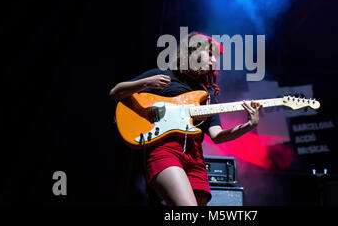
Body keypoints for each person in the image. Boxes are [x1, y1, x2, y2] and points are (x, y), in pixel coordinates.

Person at [109, 32, 262, 206]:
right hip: (166, 152)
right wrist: (147, 83)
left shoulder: (208, 94)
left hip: (195, 158)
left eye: (216, 58)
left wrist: (249, 125)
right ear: (193, 52)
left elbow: (217, 136)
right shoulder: (162, 77)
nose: (214, 61)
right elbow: (116, 92)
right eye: (210, 54)